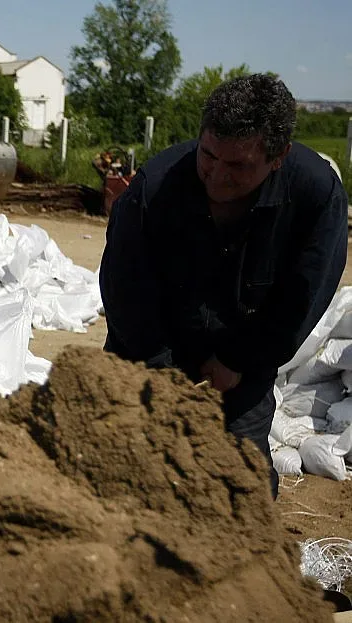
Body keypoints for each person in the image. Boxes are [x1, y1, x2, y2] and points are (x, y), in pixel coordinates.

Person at [99, 74, 348, 500]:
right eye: (209, 155)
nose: (215, 174)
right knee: (124, 475)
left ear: (278, 156)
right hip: (148, 351)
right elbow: (125, 288)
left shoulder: (315, 195)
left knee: (241, 490)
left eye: (237, 166)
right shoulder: (156, 187)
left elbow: (303, 297)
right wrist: (162, 373)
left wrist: (238, 359)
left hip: (244, 361)